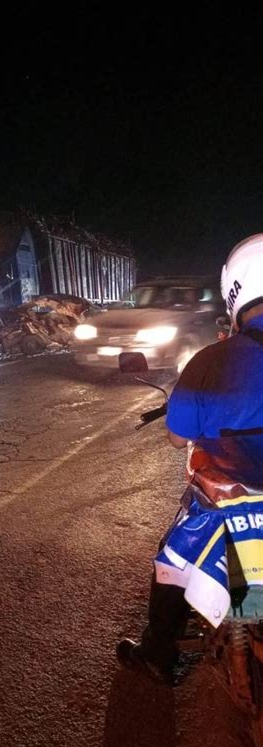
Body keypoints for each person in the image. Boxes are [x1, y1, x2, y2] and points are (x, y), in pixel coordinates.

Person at [117, 233, 263, 683]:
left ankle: (158, 654)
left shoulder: (211, 361)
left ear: (234, 292)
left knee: (172, 562)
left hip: (238, 506)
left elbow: (179, 438)